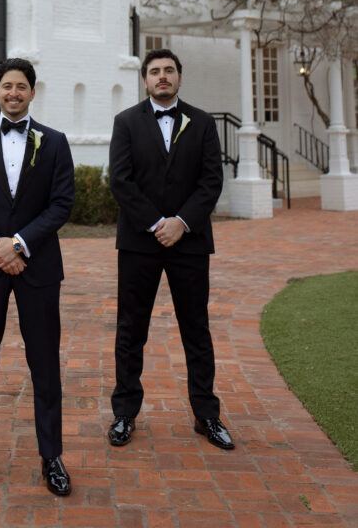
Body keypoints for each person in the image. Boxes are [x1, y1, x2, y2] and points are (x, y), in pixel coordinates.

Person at [0, 58, 75, 497]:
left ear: (32, 92)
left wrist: (19, 243)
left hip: (37, 266)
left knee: (44, 364)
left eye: (22, 86)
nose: (14, 93)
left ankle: (52, 457)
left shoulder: (55, 142)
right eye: (7, 86)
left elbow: (62, 204)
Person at [107, 49, 235, 451]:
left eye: (169, 71)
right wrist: (156, 223)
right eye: (155, 72)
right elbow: (121, 180)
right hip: (139, 243)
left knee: (196, 329)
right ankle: (125, 414)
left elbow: (211, 180)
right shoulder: (126, 122)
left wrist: (182, 222)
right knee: (131, 330)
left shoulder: (202, 123)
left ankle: (207, 416)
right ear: (144, 80)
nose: (162, 77)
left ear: (180, 76)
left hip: (190, 241)